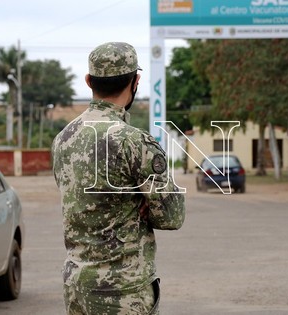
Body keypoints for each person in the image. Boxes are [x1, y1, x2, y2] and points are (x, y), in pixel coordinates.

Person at [51, 42, 186, 315]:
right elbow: (171, 216)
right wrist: (139, 205)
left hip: (77, 286)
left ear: (88, 81)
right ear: (136, 82)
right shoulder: (135, 142)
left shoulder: (63, 138)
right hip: (123, 292)